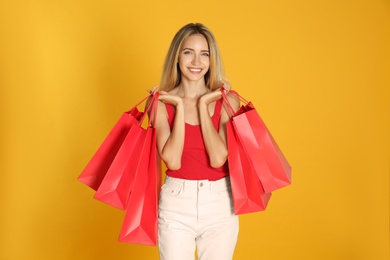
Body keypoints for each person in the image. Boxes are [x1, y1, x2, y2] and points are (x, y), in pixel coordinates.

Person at [154, 23, 240, 260]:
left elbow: (218, 158)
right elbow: (172, 161)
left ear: (212, 60)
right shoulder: (162, 103)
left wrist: (203, 105)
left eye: (205, 54)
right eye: (188, 52)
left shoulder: (228, 101)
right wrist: (180, 106)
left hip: (220, 202)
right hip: (176, 204)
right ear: (177, 57)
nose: (196, 61)